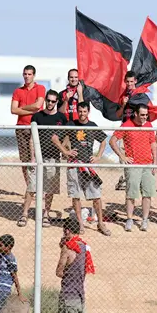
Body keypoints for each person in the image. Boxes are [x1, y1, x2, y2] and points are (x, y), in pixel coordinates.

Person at [53, 101, 111, 236]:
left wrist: (98, 156)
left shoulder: (92, 126)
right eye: (80, 111)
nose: (82, 114)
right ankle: (80, 225)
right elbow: (55, 138)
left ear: (88, 112)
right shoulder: (71, 124)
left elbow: (103, 140)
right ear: (77, 111)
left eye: (84, 111)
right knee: (76, 196)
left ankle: (100, 223)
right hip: (74, 165)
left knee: (96, 196)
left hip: (88, 167)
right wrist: (66, 152)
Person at [109, 104, 157, 232]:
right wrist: (123, 156)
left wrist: (155, 162)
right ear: (135, 114)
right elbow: (112, 141)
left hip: (147, 165)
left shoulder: (148, 125)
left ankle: (145, 220)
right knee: (131, 194)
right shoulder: (126, 125)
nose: (144, 117)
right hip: (133, 165)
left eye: (146, 115)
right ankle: (129, 219)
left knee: (147, 194)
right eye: (142, 115)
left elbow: (153, 144)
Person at [18, 90, 67, 228]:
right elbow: (32, 139)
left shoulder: (61, 118)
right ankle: (25, 214)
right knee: (32, 187)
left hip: (53, 158)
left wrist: (63, 150)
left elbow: (67, 135)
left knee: (50, 188)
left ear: (57, 102)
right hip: (38, 158)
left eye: (53, 101)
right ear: (45, 100)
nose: (50, 103)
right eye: (48, 100)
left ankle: (46, 214)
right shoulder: (37, 116)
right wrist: (33, 158)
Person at [56, 217, 95, 313]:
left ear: (67, 230)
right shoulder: (85, 248)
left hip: (68, 295)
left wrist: (62, 249)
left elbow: (59, 272)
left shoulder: (68, 247)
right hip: (79, 296)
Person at [11, 65, 46, 185]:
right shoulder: (18, 91)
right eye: (25, 74)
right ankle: (30, 186)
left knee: (38, 158)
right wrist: (31, 109)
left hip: (36, 128)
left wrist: (21, 108)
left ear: (34, 75)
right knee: (24, 160)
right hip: (21, 127)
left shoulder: (40, 88)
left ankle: (39, 186)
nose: (27, 76)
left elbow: (38, 105)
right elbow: (13, 110)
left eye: (29, 74)